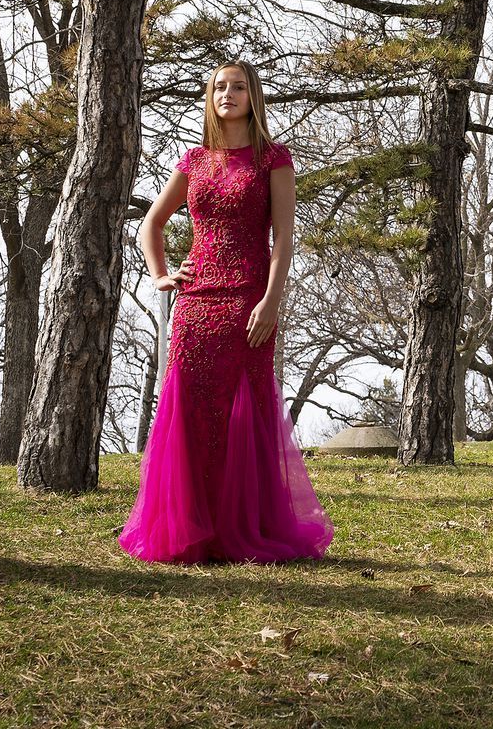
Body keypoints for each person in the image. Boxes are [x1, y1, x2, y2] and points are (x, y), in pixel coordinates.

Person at [119, 61, 333, 564]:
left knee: (244, 411)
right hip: (195, 304)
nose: (228, 94)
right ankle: (192, 529)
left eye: (238, 87)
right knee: (190, 410)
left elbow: (283, 240)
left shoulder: (272, 159)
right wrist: (160, 276)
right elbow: (150, 224)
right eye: (219, 86)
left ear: (253, 97)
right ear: (209, 96)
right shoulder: (193, 159)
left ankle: (243, 528)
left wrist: (271, 301)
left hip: (247, 301)